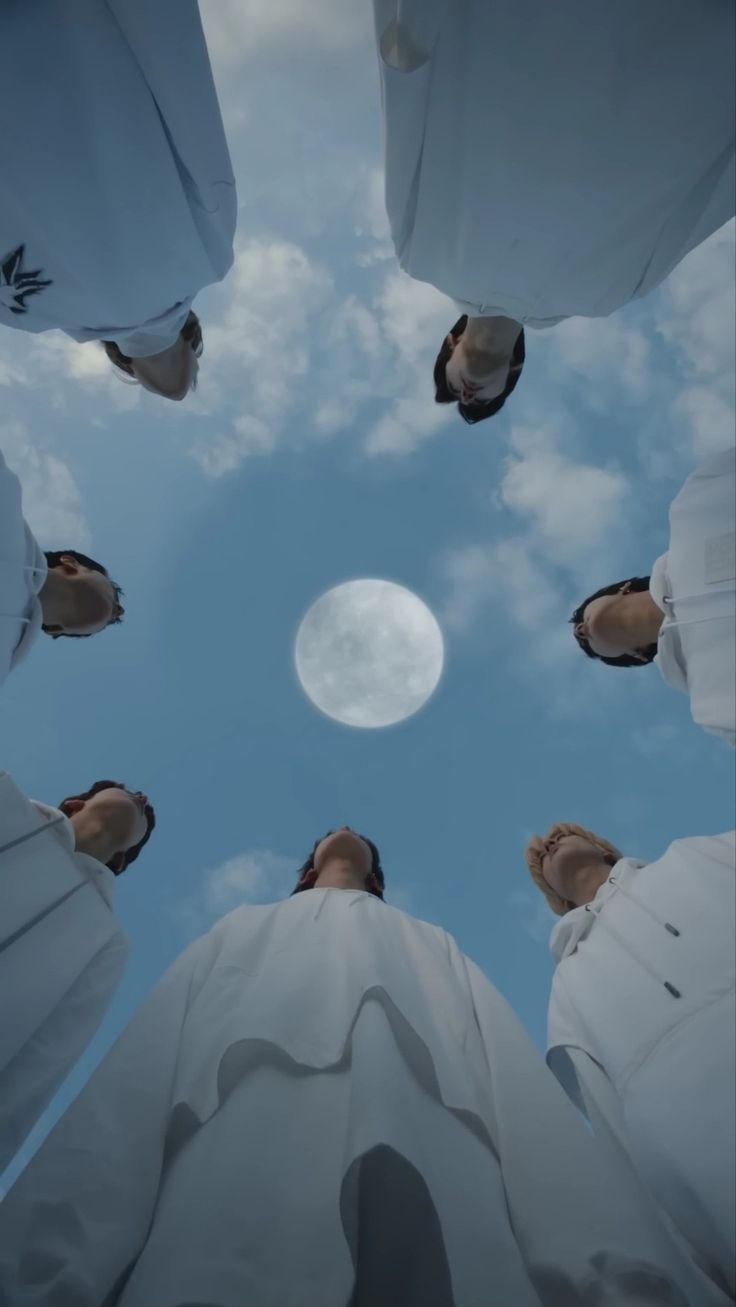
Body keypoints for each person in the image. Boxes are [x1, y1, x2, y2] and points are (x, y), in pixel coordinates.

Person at [0, 827, 730, 1306]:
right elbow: (134, 1084)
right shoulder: (240, 929)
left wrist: (610, 1275)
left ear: (377, 877)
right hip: (230, 1169)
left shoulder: (430, 940)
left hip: (448, 1175)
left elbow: (518, 1091)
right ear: (308, 864)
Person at [372, 0, 735, 422]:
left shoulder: (422, 255)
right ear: (513, 372)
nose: (468, 394)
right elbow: (703, 204)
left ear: (449, 346)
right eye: (485, 399)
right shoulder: (607, 294)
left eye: (453, 387)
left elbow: (407, 101)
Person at [524, 822, 736, 1296]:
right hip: (707, 1162)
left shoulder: (698, 857)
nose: (550, 844)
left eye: (562, 834)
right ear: (554, 898)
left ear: (605, 847)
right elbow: (613, 1131)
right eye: (541, 856)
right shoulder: (569, 986)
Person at [0, 0, 236, 401]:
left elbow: (183, 89)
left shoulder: (207, 255)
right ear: (120, 359)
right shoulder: (20, 313)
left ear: (191, 330)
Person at [0, 774, 155, 1171]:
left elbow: (41, 1063)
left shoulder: (107, 941)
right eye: (127, 790)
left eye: (145, 813)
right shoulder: (6, 802)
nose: (141, 796)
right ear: (74, 802)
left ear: (122, 857)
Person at [571, 446, 736, 747]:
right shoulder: (712, 705)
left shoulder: (694, 507)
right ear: (636, 655)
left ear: (623, 587)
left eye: (581, 617)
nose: (581, 631)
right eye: (588, 646)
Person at [0, 447, 123, 689]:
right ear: (71, 564)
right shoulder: (7, 497)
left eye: (106, 623)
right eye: (113, 593)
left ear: (55, 629)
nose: (119, 610)